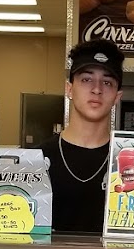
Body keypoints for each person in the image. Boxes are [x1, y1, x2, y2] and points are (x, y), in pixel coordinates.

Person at [40, 41, 124, 234]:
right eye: (86, 79)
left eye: (107, 82)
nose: (97, 89)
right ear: (69, 89)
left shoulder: (130, 164)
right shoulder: (36, 159)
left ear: (117, 96)